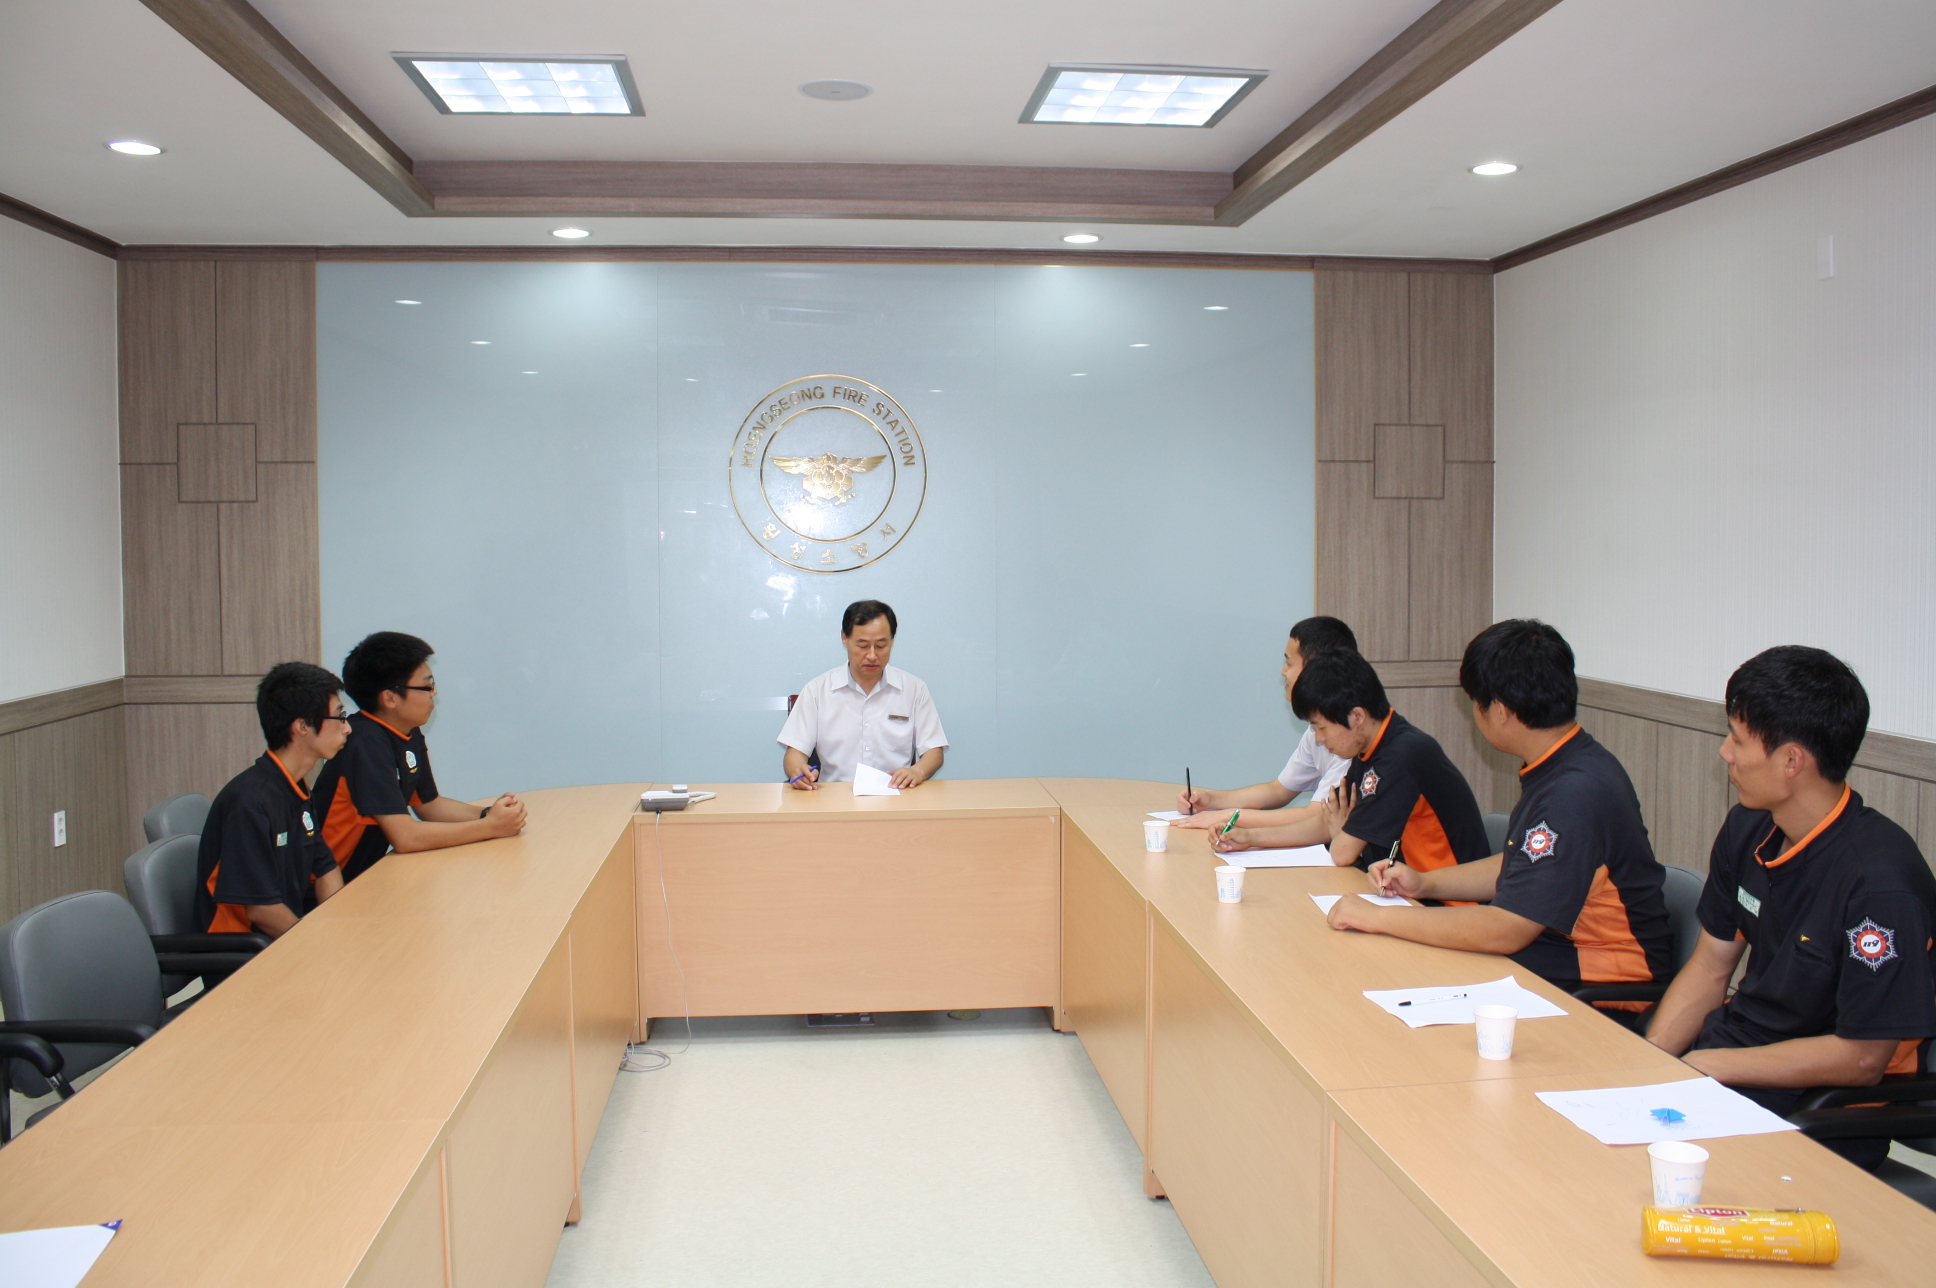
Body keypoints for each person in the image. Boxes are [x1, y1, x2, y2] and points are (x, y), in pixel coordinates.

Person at [1647, 646, 1936, 1169]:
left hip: (1819, 1108)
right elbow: (1711, 966)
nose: (1725, 753)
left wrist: (1715, 1065)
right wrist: (1650, 1063)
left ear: (1791, 761)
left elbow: (1862, 1059)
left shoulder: (1879, 885)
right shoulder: (1748, 827)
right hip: (1732, 1066)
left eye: (1738, 739)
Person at [1328, 621, 1674, 1008]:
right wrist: (1424, 884)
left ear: (1500, 710)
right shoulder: (1565, 761)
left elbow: (1507, 929)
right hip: (1560, 950)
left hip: (1607, 978)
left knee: (1406, 972)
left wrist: (1376, 917)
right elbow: (1521, 866)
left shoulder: (1572, 792)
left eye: (1476, 703)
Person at [1219, 650, 1489, 873]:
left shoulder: (1401, 756)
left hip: (1444, 903)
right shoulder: (1369, 748)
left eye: (1322, 728)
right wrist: (1249, 837)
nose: (1320, 739)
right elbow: (1326, 823)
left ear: (1357, 717)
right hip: (1402, 892)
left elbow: (1342, 851)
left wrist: (1338, 832)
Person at [313, 631, 526, 881]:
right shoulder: (365, 742)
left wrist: (490, 814)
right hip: (322, 889)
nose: (434, 692)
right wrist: (489, 827)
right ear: (390, 698)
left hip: (363, 876)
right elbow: (405, 837)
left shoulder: (407, 731)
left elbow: (429, 805)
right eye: (427, 685)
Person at [194, 662, 349, 937]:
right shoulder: (251, 803)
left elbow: (326, 868)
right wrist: (318, 947)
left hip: (281, 938)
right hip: (242, 951)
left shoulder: (296, 787)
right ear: (302, 726)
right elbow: (261, 911)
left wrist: (336, 925)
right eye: (339, 717)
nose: (347, 728)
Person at [1173, 616, 1357, 832]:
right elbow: (1278, 790)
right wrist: (1211, 800)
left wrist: (1230, 817)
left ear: (1316, 669)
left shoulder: (1349, 736)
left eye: (1289, 663)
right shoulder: (1317, 727)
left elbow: (1316, 816)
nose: (1283, 671)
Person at [778, 600, 947, 789]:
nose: (872, 655)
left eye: (881, 646)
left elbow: (934, 750)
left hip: (897, 796)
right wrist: (798, 771)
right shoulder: (817, 691)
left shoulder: (914, 689)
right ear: (844, 638)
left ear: (892, 641)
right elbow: (795, 754)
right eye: (863, 645)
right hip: (834, 798)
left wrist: (918, 771)